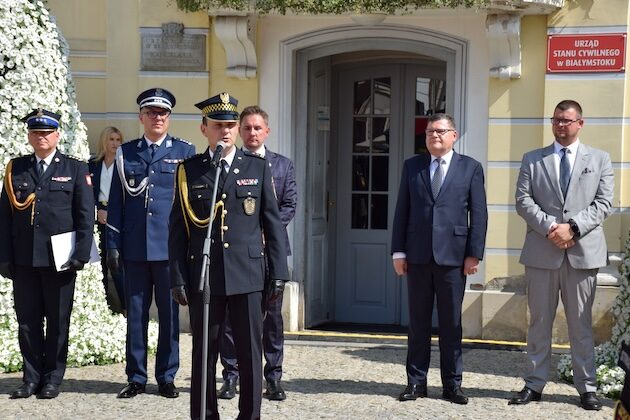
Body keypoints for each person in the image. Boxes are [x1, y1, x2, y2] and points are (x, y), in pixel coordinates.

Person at [169, 92, 289, 419]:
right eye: (218, 125)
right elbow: (178, 229)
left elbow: (272, 224)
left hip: (248, 276)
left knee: (250, 354)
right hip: (205, 277)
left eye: (230, 125)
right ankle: (205, 415)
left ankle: (249, 416)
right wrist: (177, 277)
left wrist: (278, 273)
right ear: (203, 128)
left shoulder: (257, 168)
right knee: (204, 354)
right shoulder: (190, 171)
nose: (225, 131)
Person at [508, 99, 614, 411]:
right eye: (556, 120)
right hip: (543, 251)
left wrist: (574, 228)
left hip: (582, 253)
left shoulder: (600, 159)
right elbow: (522, 200)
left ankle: (587, 388)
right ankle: (534, 383)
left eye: (567, 120)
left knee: (580, 323)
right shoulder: (533, 159)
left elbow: (604, 202)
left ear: (580, 123)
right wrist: (552, 227)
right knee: (539, 321)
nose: (560, 126)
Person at [391, 113, 487, 405]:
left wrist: (474, 254)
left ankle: (452, 384)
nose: (434, 136)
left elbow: (479, 214)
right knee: (418, 323)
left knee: (450, 325)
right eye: (430, 132)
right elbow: (402, 211)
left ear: (453, 135)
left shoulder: (470, 168)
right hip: (418, 257)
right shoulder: (413, 166)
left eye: (441, 131)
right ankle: (416, 383)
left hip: (454, 259)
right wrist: (398, 252)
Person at [106, 88, 196, 399]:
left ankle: (167, 376)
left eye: (163, 113)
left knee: (170, 317)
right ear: (141, 117)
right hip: (134, 249)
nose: (157, 117)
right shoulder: (126, 153)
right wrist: (112, 244)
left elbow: (188, 206)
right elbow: (115, 202)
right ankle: (136, 376)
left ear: (169, 118)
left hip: (170, 251)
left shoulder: (185, 152)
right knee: (136, 314)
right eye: (151, 112)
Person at [0, 108, 95, 399]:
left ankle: (52, 378)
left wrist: (80, 254)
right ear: (29, 136)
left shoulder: (75, 169)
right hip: (25, 259)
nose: (41, 137)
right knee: (27, 322)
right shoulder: (16, 168)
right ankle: (30, 379)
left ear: (57, 135)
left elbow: (84, 216)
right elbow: (4, 216)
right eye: (36, 133)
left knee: (57, 322)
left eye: (46, 133)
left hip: (60, 260)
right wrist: (4, 257)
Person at [218, 105, 297, 401]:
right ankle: (231, 375)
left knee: (272, 318)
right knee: (230, 317)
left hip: (270, 252)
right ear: (240, 129)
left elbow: (289, 204)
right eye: (247, 127)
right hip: (238, 254)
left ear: (267, 131)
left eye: (257, 128)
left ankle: (273, 378)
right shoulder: (227, 163)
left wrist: (267, 230)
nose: (252, 133)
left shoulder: (282, 165)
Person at [89, 126, 125, 313]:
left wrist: (110, 211)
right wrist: (98, 210)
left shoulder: (124, 164)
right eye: (111, 139)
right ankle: (103, 307)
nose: (115, 143)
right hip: (97, 217)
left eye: (118, 140)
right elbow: (87, 192)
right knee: (98, 263)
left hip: (117, 218)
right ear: (104, 141)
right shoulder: (93, 164)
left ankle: (125, 307)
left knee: (117, 262)